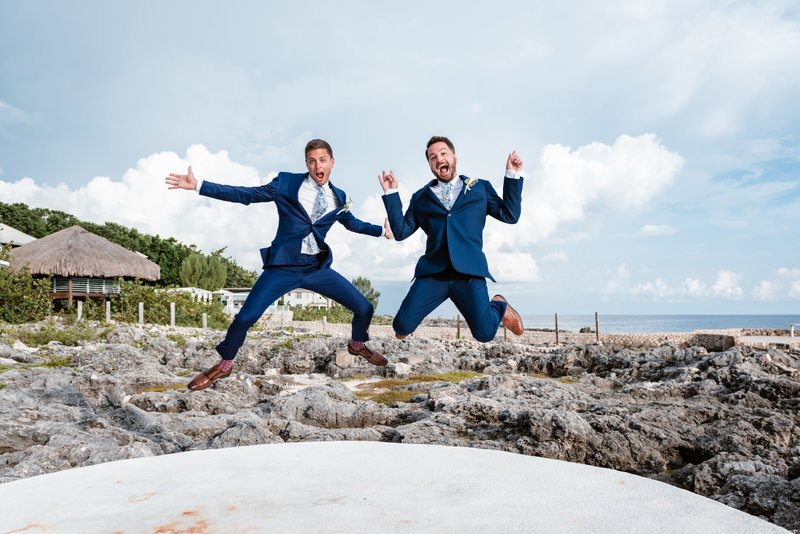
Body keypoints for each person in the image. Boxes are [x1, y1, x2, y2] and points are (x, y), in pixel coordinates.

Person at [166, 139, 392, 391]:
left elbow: (352, 223)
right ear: (306, 163)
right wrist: (198, 185)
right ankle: (224, 364)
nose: (317, 165)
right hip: (283, 268)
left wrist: (380, 231)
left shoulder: (338, 197)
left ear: (332, 162)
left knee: (364, 307)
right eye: (311, 160)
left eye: (322, 160)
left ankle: (357, 345)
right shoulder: (285, 183)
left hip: (317, 268)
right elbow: (246, 195)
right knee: (245, 318)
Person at [378, 135, 524, 342]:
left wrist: (512, 175)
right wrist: (391, 193)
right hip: (433, 273)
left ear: (454, 157)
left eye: (443, 153)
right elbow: (401, 232)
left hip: (468, 273)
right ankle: (406, 321)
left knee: (484, 334)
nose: (439, 159)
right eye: (432, 157)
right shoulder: (421, 197)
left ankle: (499, 304)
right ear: (430, 164)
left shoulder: (480, 188)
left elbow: (510, 215)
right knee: (401, 327)